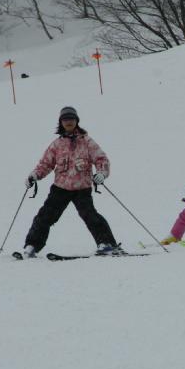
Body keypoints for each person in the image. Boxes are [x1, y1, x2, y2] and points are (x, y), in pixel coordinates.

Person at [21, 106, 122, 257]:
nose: (69, 122)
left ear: (77, 121)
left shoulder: (87, 141)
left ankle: (107, 244)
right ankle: (31, 247)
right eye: (65, 119)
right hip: (60, 188)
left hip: (82, 188)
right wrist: (35, 175)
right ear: (61, 122)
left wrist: (102, 173)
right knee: (44, 216)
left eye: (72, 119)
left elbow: (101, 159)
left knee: (90, 216)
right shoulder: (57, 144)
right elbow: (46, 164)